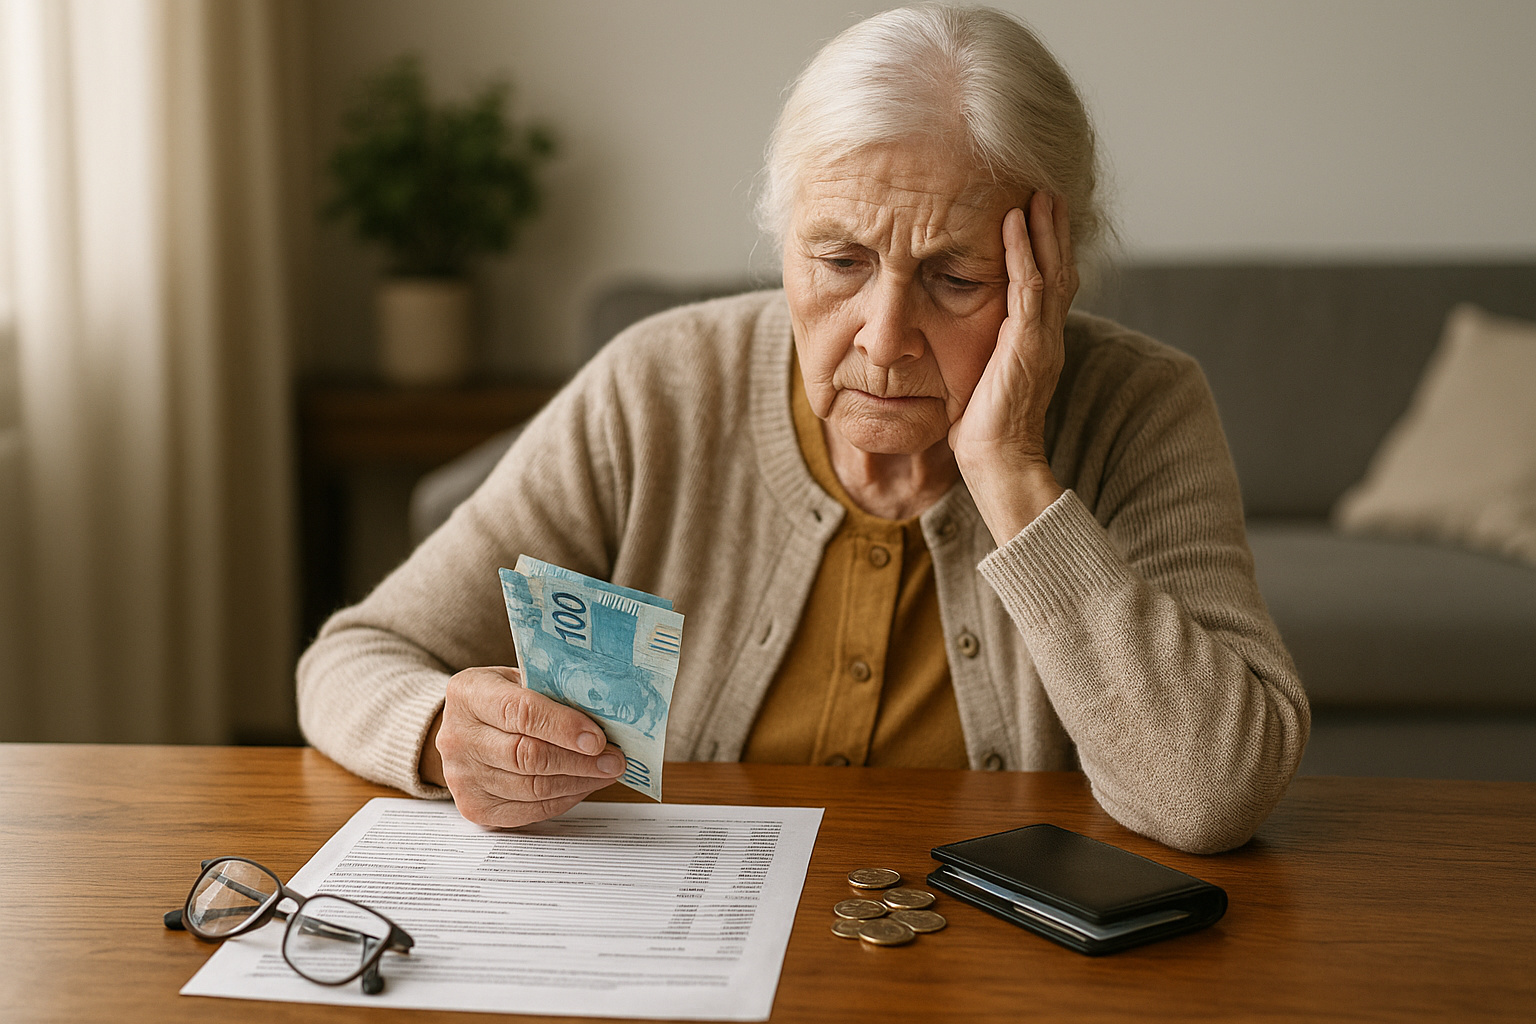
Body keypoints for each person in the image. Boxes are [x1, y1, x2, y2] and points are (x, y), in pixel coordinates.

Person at [298, 3, 1308, 855]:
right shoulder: (658, 385)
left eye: (957, 279)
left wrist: (1009, 469)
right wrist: (440, 733)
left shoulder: (1143, 408)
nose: (884, 335)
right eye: (839, 262)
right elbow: (355, 655)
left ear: (1050, 278)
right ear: (784, 244)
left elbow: (1210, 794)